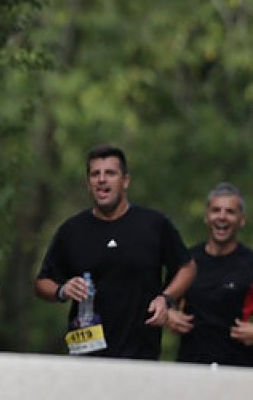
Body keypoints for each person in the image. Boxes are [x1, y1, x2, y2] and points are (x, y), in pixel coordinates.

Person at [34, 144, 194, 359]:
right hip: (86, 353)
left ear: (125, 181)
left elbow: (187, 267)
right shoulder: (71, 230)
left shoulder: (153, 224)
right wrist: (63, 290)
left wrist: (166, 299)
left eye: (110, 173)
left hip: (139, 354)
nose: (102, 179)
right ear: (88, 183)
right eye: (95, 174)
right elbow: (42, 283)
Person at [165, 182, 253, 366]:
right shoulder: (187, 262)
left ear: (242, 220)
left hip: (239, 370)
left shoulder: (249, 264)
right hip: (191, 368)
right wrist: (169, 315)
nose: (222, 217)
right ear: (207, 217)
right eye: (216, 210)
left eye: (230, 212)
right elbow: (162, 301)